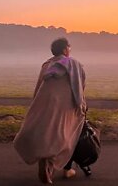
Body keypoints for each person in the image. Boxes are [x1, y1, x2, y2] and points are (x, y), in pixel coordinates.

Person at [13, 37, 87, 184]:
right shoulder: (73, 63)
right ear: (65, 49)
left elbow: (39, 85)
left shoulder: (47, 64)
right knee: (66, 133)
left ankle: (45, 161)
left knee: (46, 131)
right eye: (69, 48)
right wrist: (81, 105)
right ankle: (55, 166)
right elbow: (79, 87)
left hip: (43, 101)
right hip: (64, 104)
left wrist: (36, 103)